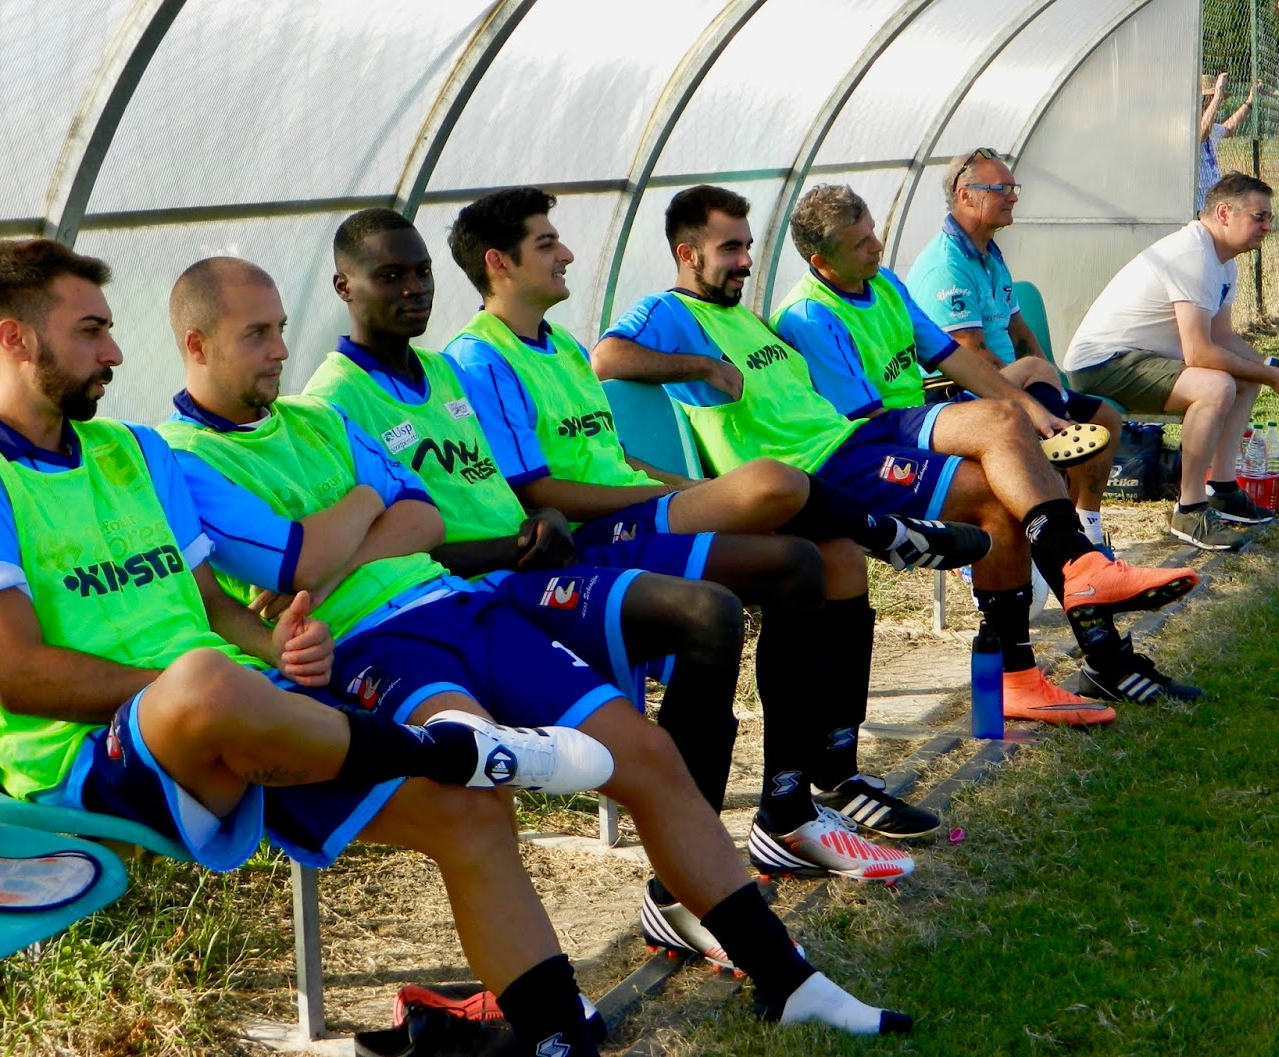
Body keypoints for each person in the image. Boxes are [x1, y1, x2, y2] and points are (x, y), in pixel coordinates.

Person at [160, 254, 916, 1041]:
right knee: (475, 774)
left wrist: (343, 531)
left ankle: (788, 979)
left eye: (281, 328)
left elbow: (420, 516)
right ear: (197, 344)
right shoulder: (182, 455)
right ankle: (558, 1020)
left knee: (648, 754)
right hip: (369, 642)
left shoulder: (315, 419)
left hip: (462, 604)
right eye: (257, 334)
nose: (281, 349)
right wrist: (363, 504)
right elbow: (293, 561)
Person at [0, 240, 623, 1057]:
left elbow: (213, 607)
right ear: (14, 338)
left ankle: (558, 1035)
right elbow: (18, 676)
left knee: (470, 811)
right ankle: (448, 747)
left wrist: (277, 646)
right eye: (90, 331)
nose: (114, 352)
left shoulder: (134, 451)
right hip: (89, 753)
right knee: (206, 680)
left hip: (247, 713)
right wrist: (204, 689)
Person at [302, 208, 927, 971]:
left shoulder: (445, 370)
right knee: (726, 589)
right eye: (390, 275)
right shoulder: (343, 397)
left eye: (420, 271)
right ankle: (687, 887)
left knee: (799, 563)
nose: (413, 288)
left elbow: (500, 489)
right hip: (482, 585)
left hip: (538, 558)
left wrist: (563, 518)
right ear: (345, 287)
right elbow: (402, 537)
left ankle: (786, 806)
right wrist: (532, 532)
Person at [433, 190, 972, 852]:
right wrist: (654, 499)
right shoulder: (479, 358)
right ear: (499, 263)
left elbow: (613, 458)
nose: (567, 253)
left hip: (642, 509)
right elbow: (535, 493)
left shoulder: (560, 345)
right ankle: (888, 532)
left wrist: (688, 489)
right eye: (547, 243)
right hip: (593, 537)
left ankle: (807, 790)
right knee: (774, 485)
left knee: (822, 557)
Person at [591, 185, 1203, 725]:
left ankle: (1031, 664)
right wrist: (699, 367)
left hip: (850, 444)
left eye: (748, 246)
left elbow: (937, 359)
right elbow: (607, 357)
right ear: (687, 253)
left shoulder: (748, 317)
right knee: (1000, 437)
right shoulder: (675, 312)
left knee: (1000, 491)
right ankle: (1080, 598)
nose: (747, 261)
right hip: (823, 466)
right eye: (730, 249)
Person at [785, 182, 1197, 705]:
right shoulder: (809, 315)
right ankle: (1096, 623)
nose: (877, 247)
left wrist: (1028, 409)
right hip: (870, 439)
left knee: (1018, 459)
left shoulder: (882, 281)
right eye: (861, 242)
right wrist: (1006, 418)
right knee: (1010, 448)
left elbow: (952, 357)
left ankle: (1043, 664)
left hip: (911, 417)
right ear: (821, 261)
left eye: (873, 233)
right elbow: (868, 418)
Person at [1061, 172, 1279, 552]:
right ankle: (1190, 510)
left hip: (1137, 359)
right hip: (1101, 365)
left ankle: (1222, 488)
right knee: (1216, 386)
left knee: (1246, 379)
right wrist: (1275, 376)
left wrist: (1276, 367)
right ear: (1224, 213)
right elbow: (1199, 353)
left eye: (1268, 218)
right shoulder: (1192, 256)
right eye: (1259, 217)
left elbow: (1222, 337)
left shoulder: (1222, 261)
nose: (1268, 226)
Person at [904, 150, 1122, 551]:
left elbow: (1021, 333)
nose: (1014, 197)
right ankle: (1046, 542)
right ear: (966, 196)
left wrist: (1052, 384)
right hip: (961, 392)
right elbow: (971, 356)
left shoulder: (988, 253)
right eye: (1001, 189)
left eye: (1013, 187)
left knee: (1104, 419)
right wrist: (1034, 388)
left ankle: (1084, 527)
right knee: (1056, 436)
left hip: (1011, 378)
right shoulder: (945, 266)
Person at [1198, 73, 1259, 213]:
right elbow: (1201, 133)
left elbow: (1229, 127)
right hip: (1197, 207)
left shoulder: (1212, 128)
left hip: (1210, 203)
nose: (1219, 105)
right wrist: (1218, 94)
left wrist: (1250, 102)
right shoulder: (1190, 127)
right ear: (1205, 101)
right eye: (1213, 100)